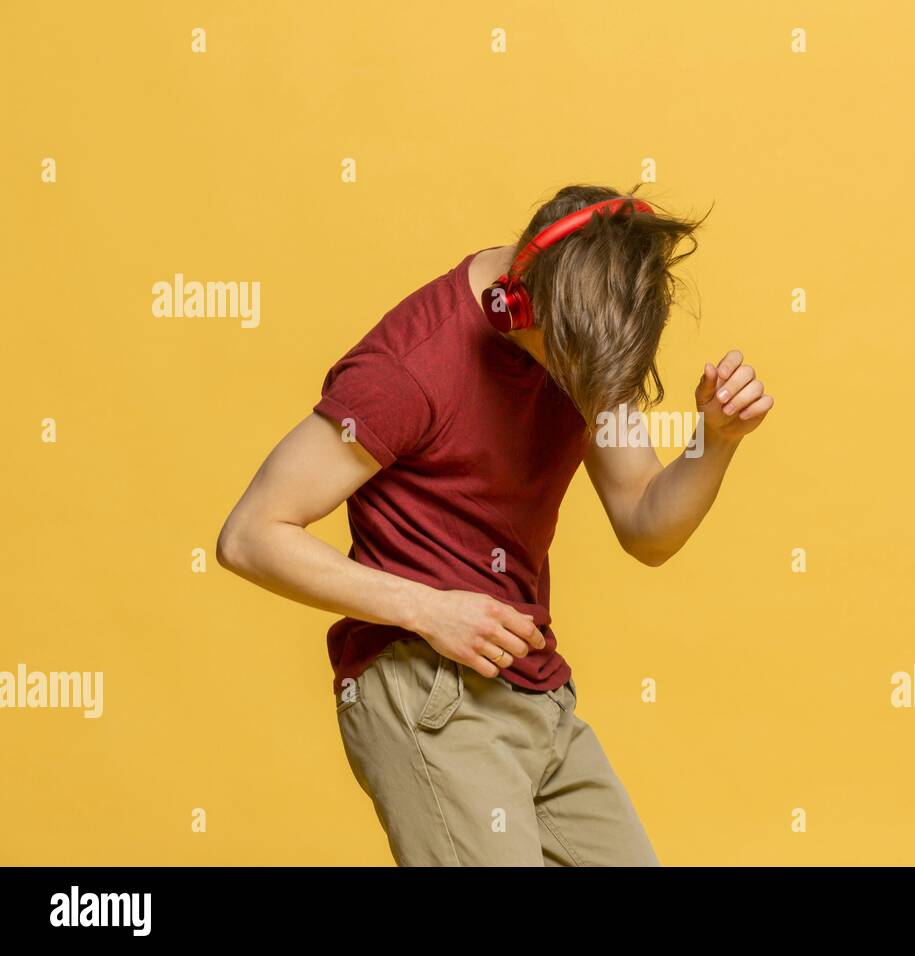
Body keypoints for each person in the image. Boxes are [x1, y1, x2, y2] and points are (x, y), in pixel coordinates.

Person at [216, 184, 774, 866]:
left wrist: (713, 441)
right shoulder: (408, 371)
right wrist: (428, 609)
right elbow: (252, 534)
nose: (590, 396)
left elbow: (644, 524)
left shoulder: (590, 331)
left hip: (534, 690)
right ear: (515, 303)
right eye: (576, 376)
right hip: (428, 693)